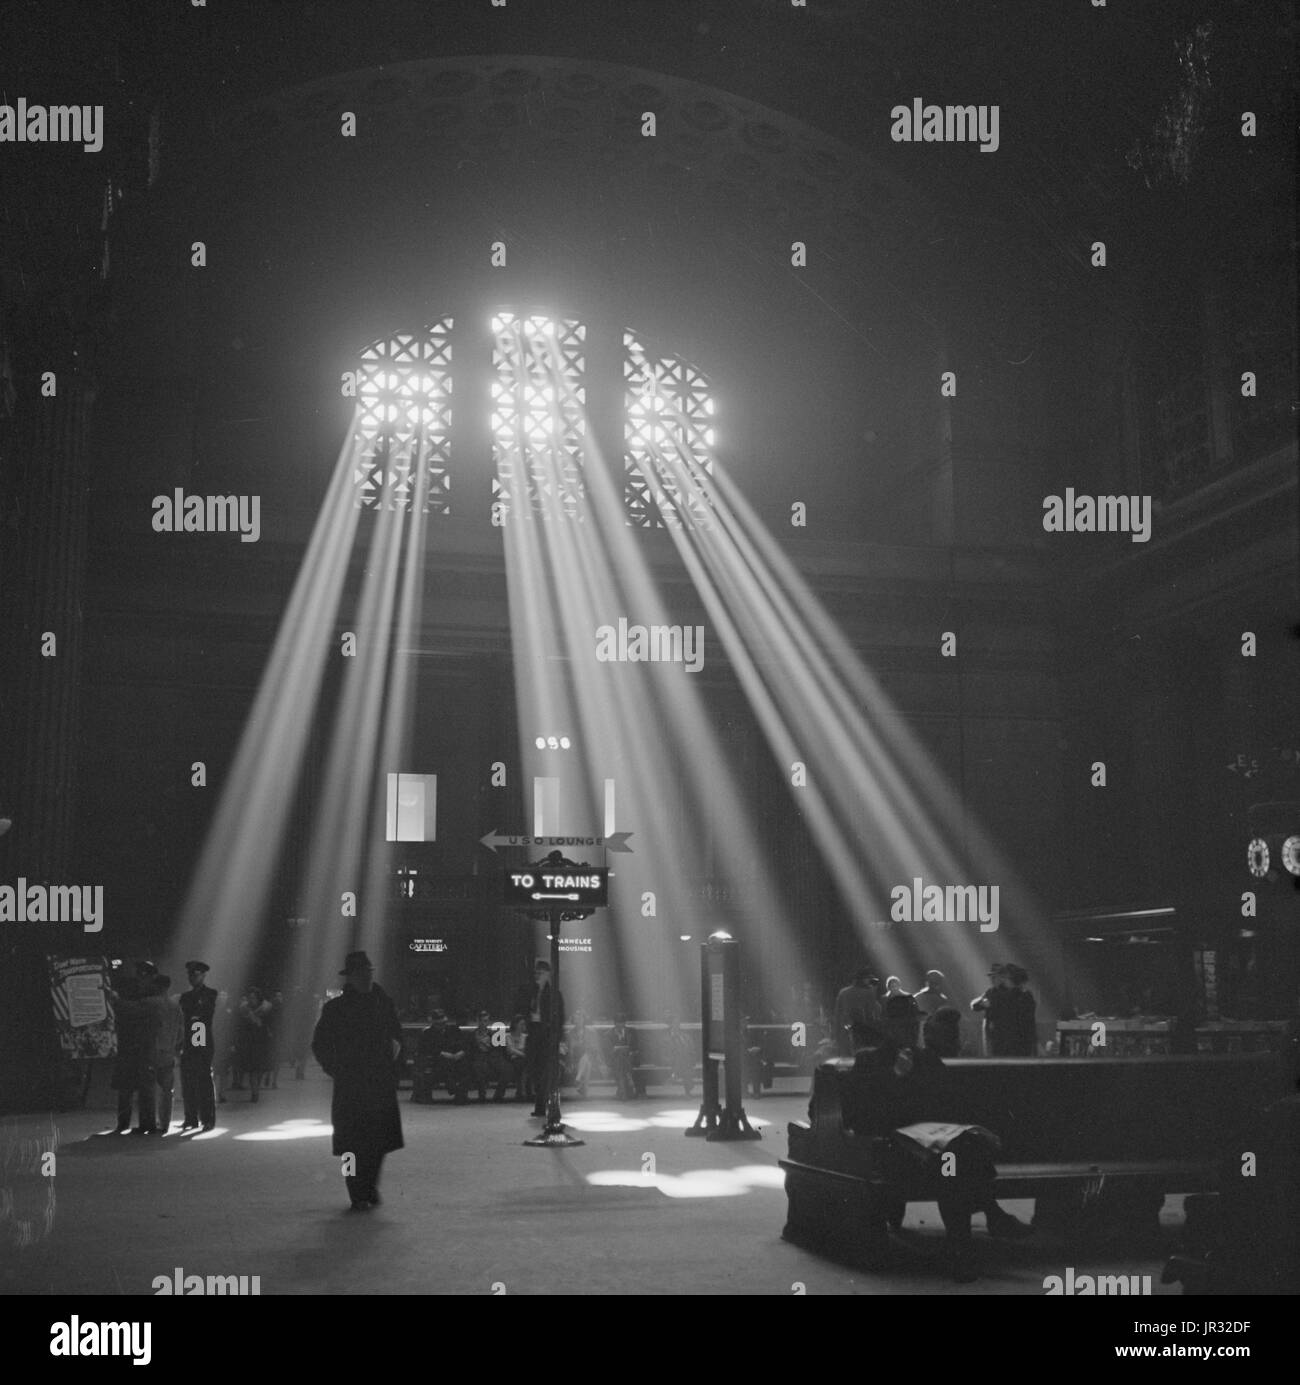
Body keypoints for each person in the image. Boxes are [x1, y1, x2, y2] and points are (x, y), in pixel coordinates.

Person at [843, 1026, 1030, 1281]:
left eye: (913, 1023)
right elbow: (859, 1114)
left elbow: (951, 1098)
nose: (911, 1030)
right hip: (892, 1147)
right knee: (955, 1162)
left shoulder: (927, 1059)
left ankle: (963, 1248)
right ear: (890, 1026)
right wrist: (896, 1076)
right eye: (903, 1022)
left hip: (934, 1144)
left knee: (958, 1157)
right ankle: (985, 1221)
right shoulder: (870, 1060)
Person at [311, 951, 404, 1211]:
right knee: (352, 1144)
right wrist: (338, 1070)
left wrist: (395, 1055)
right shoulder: (336, 1009)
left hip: (378, 1083)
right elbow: (320, 1045)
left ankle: (368, 1185)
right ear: (351, 977)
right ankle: (356, 1189)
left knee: (378, 1142)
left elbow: (397, 1035)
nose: (367, 976)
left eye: (369, 971)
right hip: (352, 1085)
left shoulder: (384, 1003)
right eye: (362, 972)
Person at [107, 961, 157, 1134]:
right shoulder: (132, 990)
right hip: (129, 1045)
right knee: (125, 1088)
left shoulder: (152, 995)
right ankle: (123, 1123)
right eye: (139, 974)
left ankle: (147, 1123)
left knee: (145, 1089)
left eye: (144, 975)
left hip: (143, 1046)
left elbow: (138, 1010)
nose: (140, 978)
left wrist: (118, 1001)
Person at [512, 961, 565, 1117]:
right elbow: (521, 1008)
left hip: (546, 1035)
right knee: (534, 1070)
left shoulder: (554, 993)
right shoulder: (529, 991)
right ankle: (541, 1102)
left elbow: (560, 1018)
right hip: (533, 1033)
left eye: (540, 973)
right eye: (535, 973)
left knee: (545, 1072)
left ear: (547, 974)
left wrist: (557, 1038)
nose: (537, 976)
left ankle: (542, 1106)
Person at [178, 961, 218, 1131]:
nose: (192, 978)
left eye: (195, 974)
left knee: (203, 1081)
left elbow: (201, 1017)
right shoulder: (185, 997)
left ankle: (207, 1118)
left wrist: (197, 1045)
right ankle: (191, 1117)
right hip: (189, 1040)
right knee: (188, 1081)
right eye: (190, 975)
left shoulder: (210, 994)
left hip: (200, 1039)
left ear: (203, 975)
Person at [144, 974, 182, 1134]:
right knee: (167, 1090)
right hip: (168, 1051)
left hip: (152, 1050)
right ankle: (165, 1123)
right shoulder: (175, 1006)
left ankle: (149, 1122)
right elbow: (181, 1030)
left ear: (156, 986)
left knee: (149, 1088)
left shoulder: (149, 1003)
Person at [833, 967, 883, 1056]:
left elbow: (838, 1014)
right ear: (863, 979)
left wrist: (837, 1033)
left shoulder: (843, 992)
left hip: (847, 1030)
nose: (870, 981)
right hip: (864, 1030)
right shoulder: (867, 992)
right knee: (863, 1056)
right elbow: (872, 1012)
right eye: (868, 979)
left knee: (850, 1057)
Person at [236, 987, 272, 1101]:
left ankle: (256, 1089)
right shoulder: (244, 1010)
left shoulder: (266, 1010)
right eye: (250, 997)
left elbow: (269, 1026)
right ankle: (254, 1093)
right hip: (250, 1043)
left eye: (253, 997)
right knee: (252, 1070)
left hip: (262, 1042)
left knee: (259, 1070)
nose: (251, 1000)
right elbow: (241, 1027)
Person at [970, 964, 1014, 1056]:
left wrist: (990, 1006)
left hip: (1004, 1033)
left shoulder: (1010, 993)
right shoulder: (991, 991)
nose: (992, 979)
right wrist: (982, 1001)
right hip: (992, 1032)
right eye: (991, 977)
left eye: (995, 977)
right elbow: (974, 1006)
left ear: (1003, 978)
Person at [469, 1010, 507, 1103]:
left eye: (486, 1021)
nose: (483, 1023)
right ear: (478, 1021)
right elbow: (470, 1050)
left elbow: (498, 1050)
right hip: (478, 1057)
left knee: (506, 1069)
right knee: (479, 1066)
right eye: (482, 1021)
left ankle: (498, 1095)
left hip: (491, 1057)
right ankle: (482, 1094)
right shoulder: (472, 1035)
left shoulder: (493, 1035)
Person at [1002, 965, 1038, 1056]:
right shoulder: (1027, 996)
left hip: (1011, 1040)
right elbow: (1030, 1021)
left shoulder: (1008, 996)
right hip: (1025, 1039)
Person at [606, 1016, 641, 1100]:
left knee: (621, 1060)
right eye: (618, 1023)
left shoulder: (632, 1032)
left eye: (622, 1023)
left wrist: (630, 1051)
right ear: (615, 1024)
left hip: (630, 1057)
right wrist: (615, 1050)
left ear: (625, 1023)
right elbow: (607, 1050)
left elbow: (637, 1047)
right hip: (615, 1059)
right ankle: (629, 1079)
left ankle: (622, 1091)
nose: (620, 1025)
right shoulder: (609, 1034)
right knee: (620, 1058)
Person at [881, 976, 921, 1048]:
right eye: (892, 986)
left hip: (905, 1026)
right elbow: (883, 1013)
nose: (894, 988)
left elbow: (914, 1011)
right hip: (891, 1026)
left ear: (899, 986)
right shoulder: (884, 999)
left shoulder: (908, 997)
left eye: (896, 986)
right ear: (888, 987)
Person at [666, 1016, 694, 1097]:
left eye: (678, 1023)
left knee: (684, 1061)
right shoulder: (667, 1037)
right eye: (675, 1023)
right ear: (671, 1024)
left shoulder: (684, 1036)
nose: (677, 1025)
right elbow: (666, 1050)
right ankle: (687, 1089)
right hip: (672, 1058)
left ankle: (674, 1075)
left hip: (683, 1060)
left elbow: (690, 1048)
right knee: (683, 1062)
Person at [504, 1014, 529, 1101]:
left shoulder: (525, 1037)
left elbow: (527, 1049)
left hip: (522, 1060)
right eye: (521, 1024)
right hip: (512, 1060)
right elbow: (510, 1050)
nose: (523, 1026)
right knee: (520, 1064)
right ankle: (522, 1091)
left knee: (524, 1064)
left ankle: (522, 1090)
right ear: (515, 1025)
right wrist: (522, 1054)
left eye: (524, 1024)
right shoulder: (508, 1036)